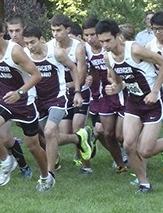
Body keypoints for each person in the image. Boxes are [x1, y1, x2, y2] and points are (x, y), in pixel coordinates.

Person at [96, 19, 163, 193]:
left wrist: (154, 91)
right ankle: (143, 182)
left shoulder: (135, 50)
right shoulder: (107, 57)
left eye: (108, 40)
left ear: (117, 36)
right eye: (101, 42)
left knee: (145, 151)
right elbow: (117, 80)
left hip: (152, 104)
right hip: (133, 103)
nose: (105, 45)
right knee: (129, 145)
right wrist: (114, 87)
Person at [0, 15, 52, 189]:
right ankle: (6, 161)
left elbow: (37, 75)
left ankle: (46, 176)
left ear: (1, 33)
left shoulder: (15, 51)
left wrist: (20, 92)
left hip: (24, 101)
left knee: (33, 146)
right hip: (3, 100)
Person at [23, 25, 83, 175]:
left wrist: (77, 92)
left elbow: (73, 68)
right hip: (38, 100)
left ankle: (50, 174)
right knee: (49, 135)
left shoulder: (56, 53)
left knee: (49, 132)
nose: (29, 47)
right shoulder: (24, 55)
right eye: (27, 43)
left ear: (41, 39)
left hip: (58, 97)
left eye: (32, 42)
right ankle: (78, 138)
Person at [48, 14, 95, 171]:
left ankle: (85, 165)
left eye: (59, 30)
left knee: (77, 126)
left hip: (79, 91)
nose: (55, 34)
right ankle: (82, 140)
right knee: (63, 132)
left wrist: (76, 90)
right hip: (61, 93)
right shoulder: (49, 47)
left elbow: (81, 74)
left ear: (67, 30)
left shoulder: (78, 47)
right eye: (53, 30)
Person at [82, 17, 127, 173]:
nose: (90, 39)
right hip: (102, 96)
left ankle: (131, 150)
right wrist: (89, 76)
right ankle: (121, 163)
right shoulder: (85, 49)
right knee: (103, 132)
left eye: (93, 34)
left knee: (120, 136)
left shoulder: (111, 48)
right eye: (86, 35)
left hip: (120, 93)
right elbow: (90, 68)